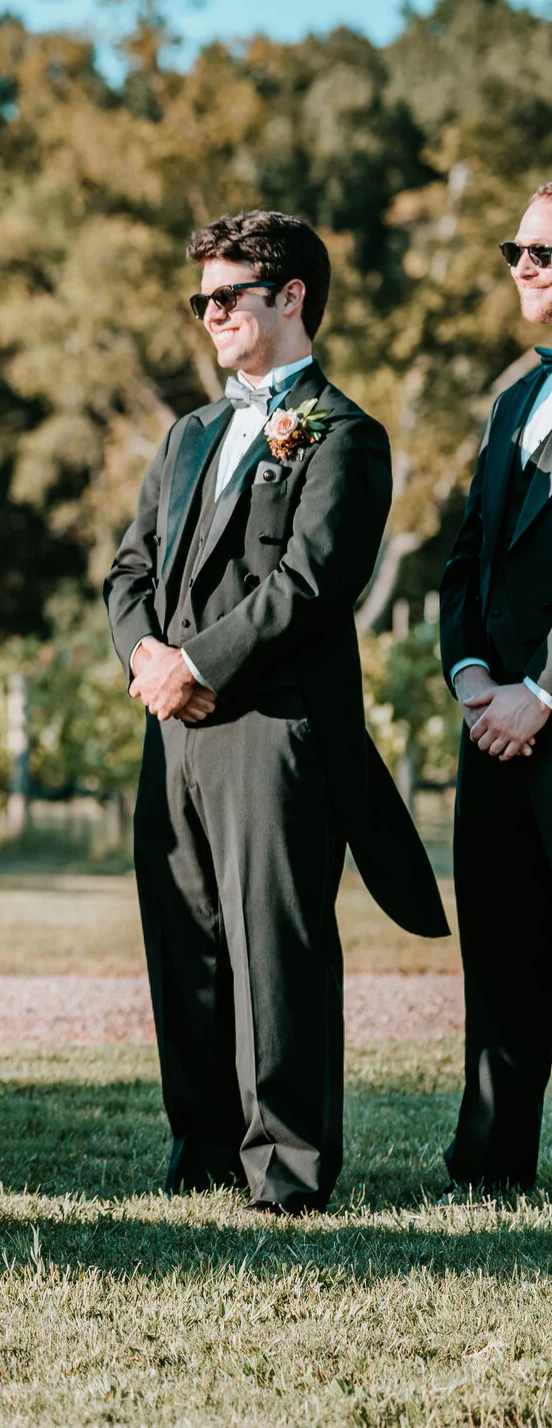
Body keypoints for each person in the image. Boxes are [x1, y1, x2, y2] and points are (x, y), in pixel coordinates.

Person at [102, 210, 446, 1215]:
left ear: (290, 296)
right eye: (199, 297)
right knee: (184, 939)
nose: (208, 313)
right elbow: (128, 568)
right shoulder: (189, 433)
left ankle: (287, 1164)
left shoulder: (346, 435)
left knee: (273, 949)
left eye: (227, 295)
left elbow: (309, 583)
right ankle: (202, 1145)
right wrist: (147, 660)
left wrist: (199, 663)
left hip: (271, 727)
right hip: (169, 725)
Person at [436, 180, 552, 1195]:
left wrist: (544, 691)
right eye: (515, 249)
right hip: (493, 726)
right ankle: (489, 1162)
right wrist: (472, 677)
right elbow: (468, 553)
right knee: (502, 948)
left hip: (546, 710)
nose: (522, 266)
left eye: (541, 252)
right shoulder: (513, 397)